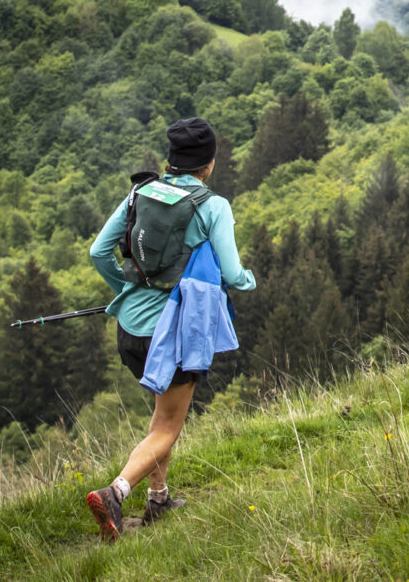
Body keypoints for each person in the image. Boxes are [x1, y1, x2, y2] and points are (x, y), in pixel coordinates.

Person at [83, 116, 256, 540]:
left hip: (130, 329)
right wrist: (249, 280)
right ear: (209, 164)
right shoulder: (212, 206)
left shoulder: (139, 193)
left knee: (161, 418)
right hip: (173, 335)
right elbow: (233, 275)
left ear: (173, 160)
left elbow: (98, 252)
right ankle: (115, 494)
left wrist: (126, 287)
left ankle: (158, 499)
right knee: (167, 428)